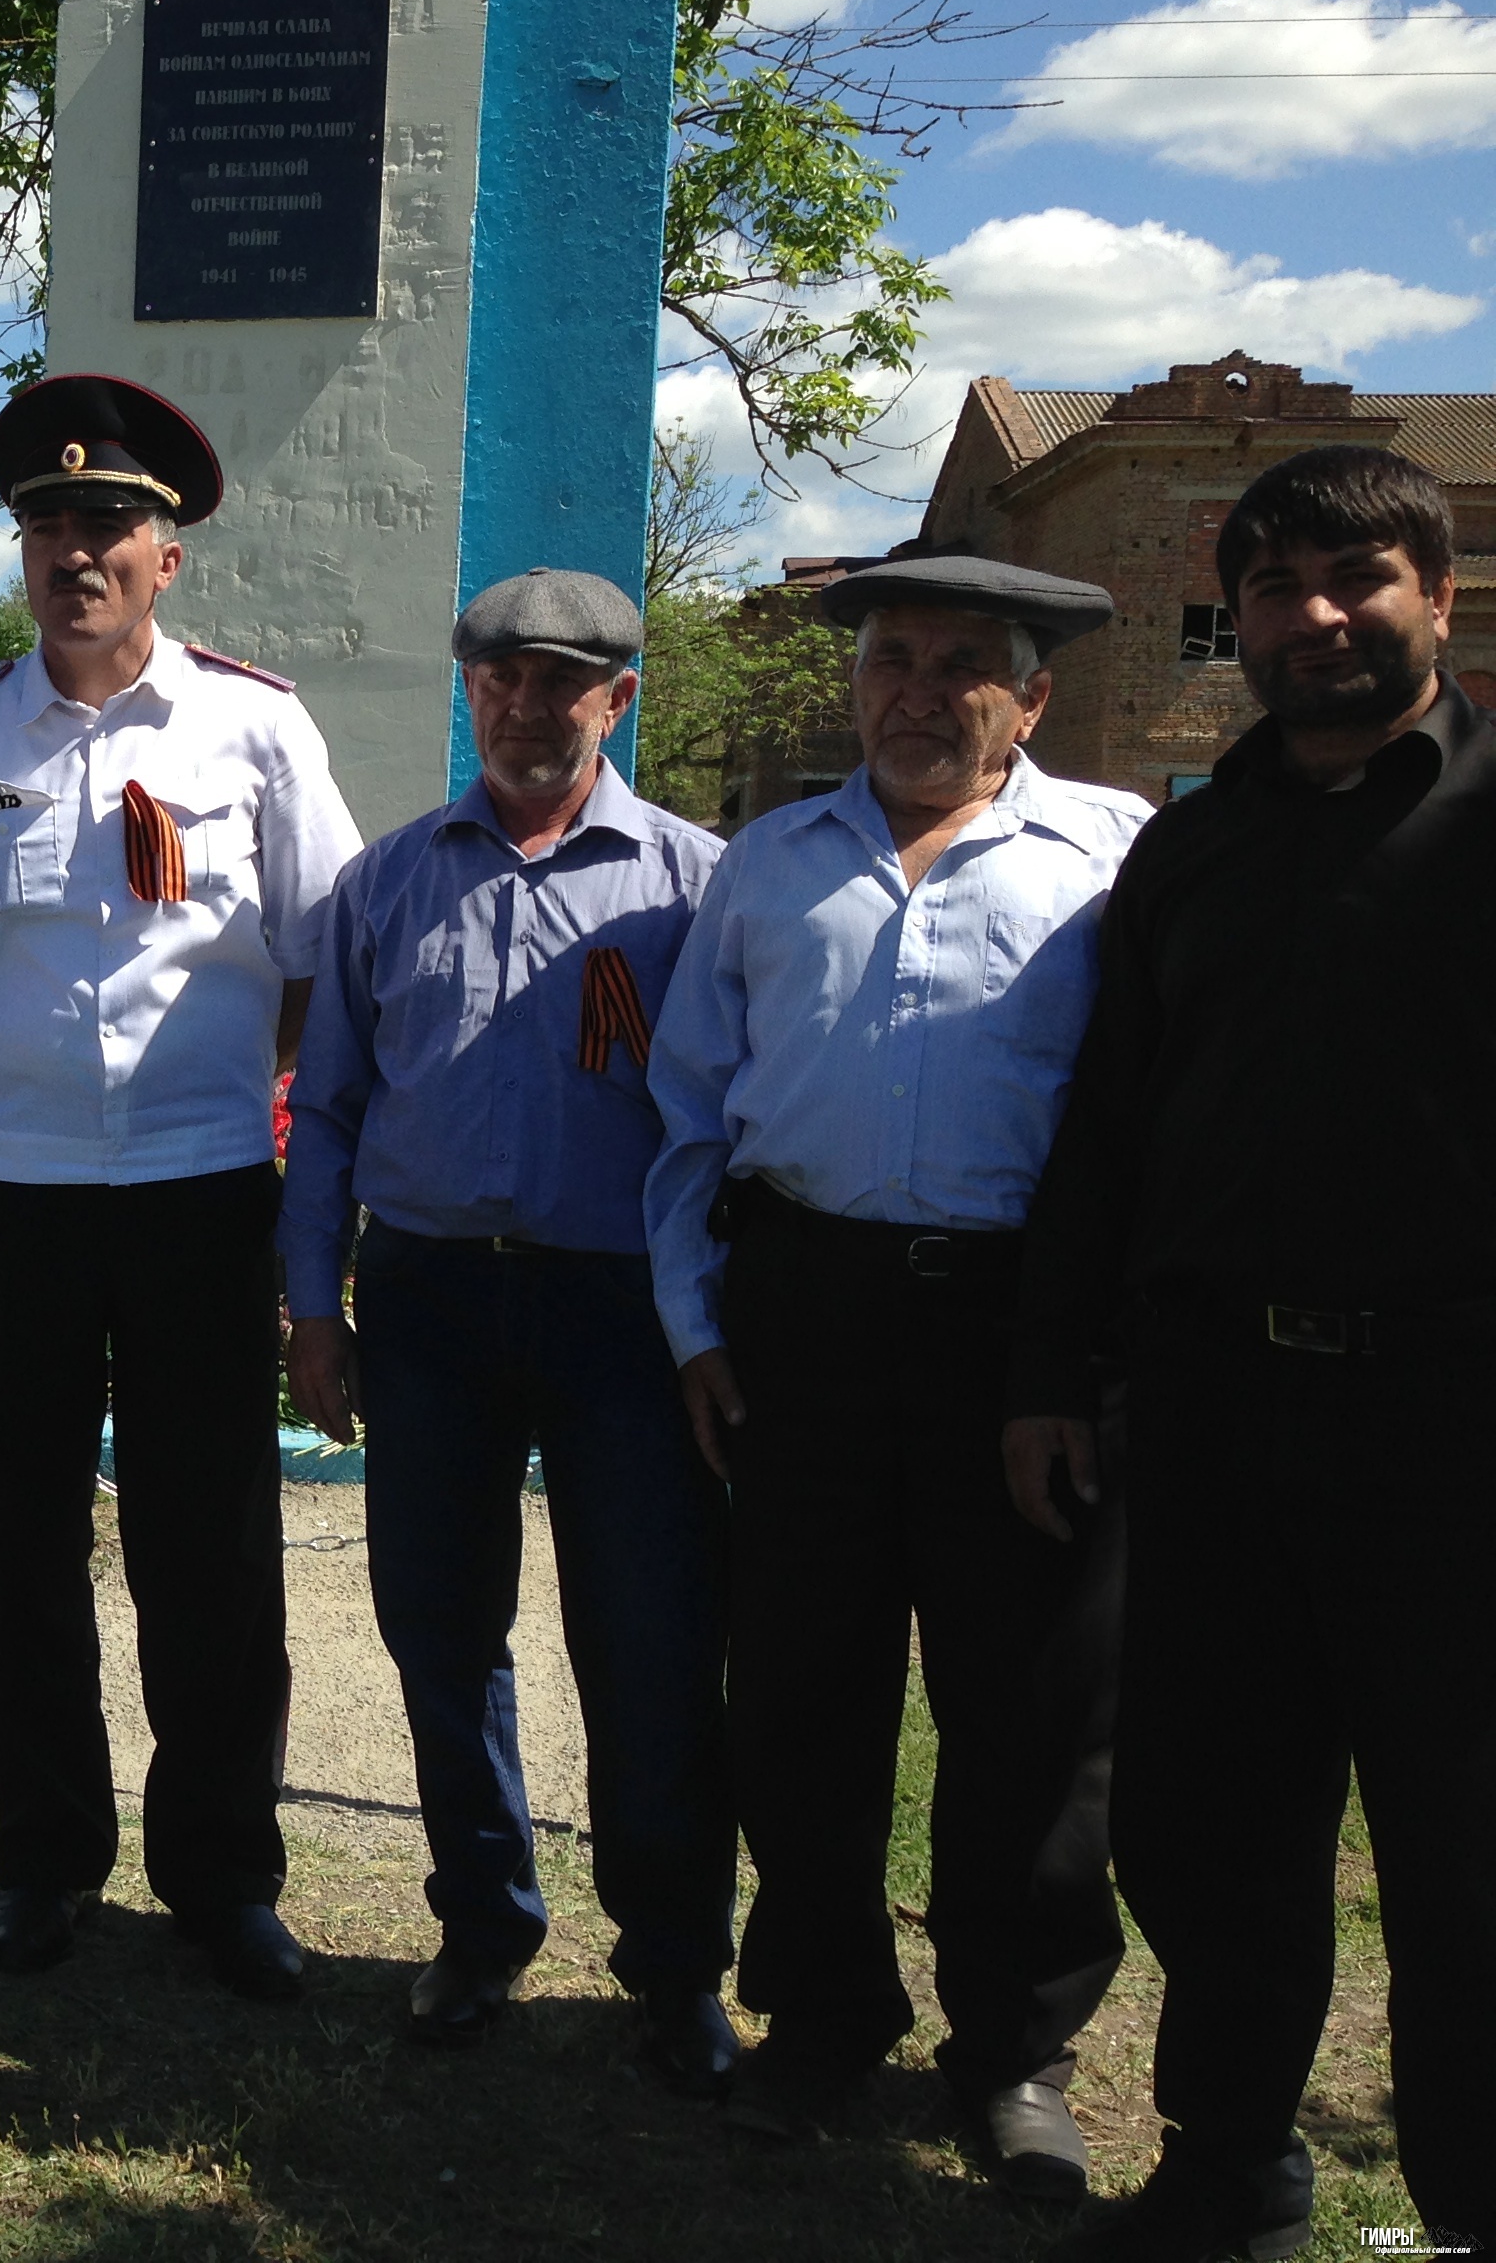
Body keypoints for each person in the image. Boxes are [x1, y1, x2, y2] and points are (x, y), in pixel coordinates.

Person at [1008, 446, 1490, 2261]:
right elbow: (1107, 1134)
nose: (1316, 618)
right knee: (1212, 1825)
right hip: (1216, 1415)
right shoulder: (1191, 849)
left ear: (1439, 596)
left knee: (1464, 1853)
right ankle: (1227, 2169)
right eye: (1275, 588)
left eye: (1357, 579)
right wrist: (1050, 1375)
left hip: (1456, 1427)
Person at [644, 555, 1145, 2195]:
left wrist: (1092, 1349)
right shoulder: (768, 863)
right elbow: (690, 1108)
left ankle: (1014, 2049)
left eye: (960, 664)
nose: (917, 693)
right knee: (801, 1692)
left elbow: (1143, 1122)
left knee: (1032, 1709)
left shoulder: (1112, 862)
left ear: (1033, 697)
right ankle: (823, 2016)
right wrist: (698, 1326)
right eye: (890, 659)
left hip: (1024, 1337)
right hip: (805, 1320)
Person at [0, 373, 362, 1999]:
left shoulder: (259, 729)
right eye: (48, 525)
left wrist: (212, 1084)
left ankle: (222, 1877)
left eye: (109, 525)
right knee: (23, 1538)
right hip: (9, 1195)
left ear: (169, 557)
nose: (76, 551)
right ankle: (44, 1865)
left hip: (196, 1187)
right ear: (22, 552)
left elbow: (318, 958)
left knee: (208, 1544)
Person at [281, 567, 737, 2088]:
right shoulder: (389, 883)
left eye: (563, 682)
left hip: (625, 1312)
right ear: (469, 689)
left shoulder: (695, 887)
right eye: (502, 679)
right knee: (439, 1624)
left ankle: (673, 1965)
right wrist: (314, 1306)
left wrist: (712, 1322)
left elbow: (726, 1125)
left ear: (620, 699)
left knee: (650, 1640)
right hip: (430, 1301)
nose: (528, 707)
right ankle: (481, 1924)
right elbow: (326, 1111)